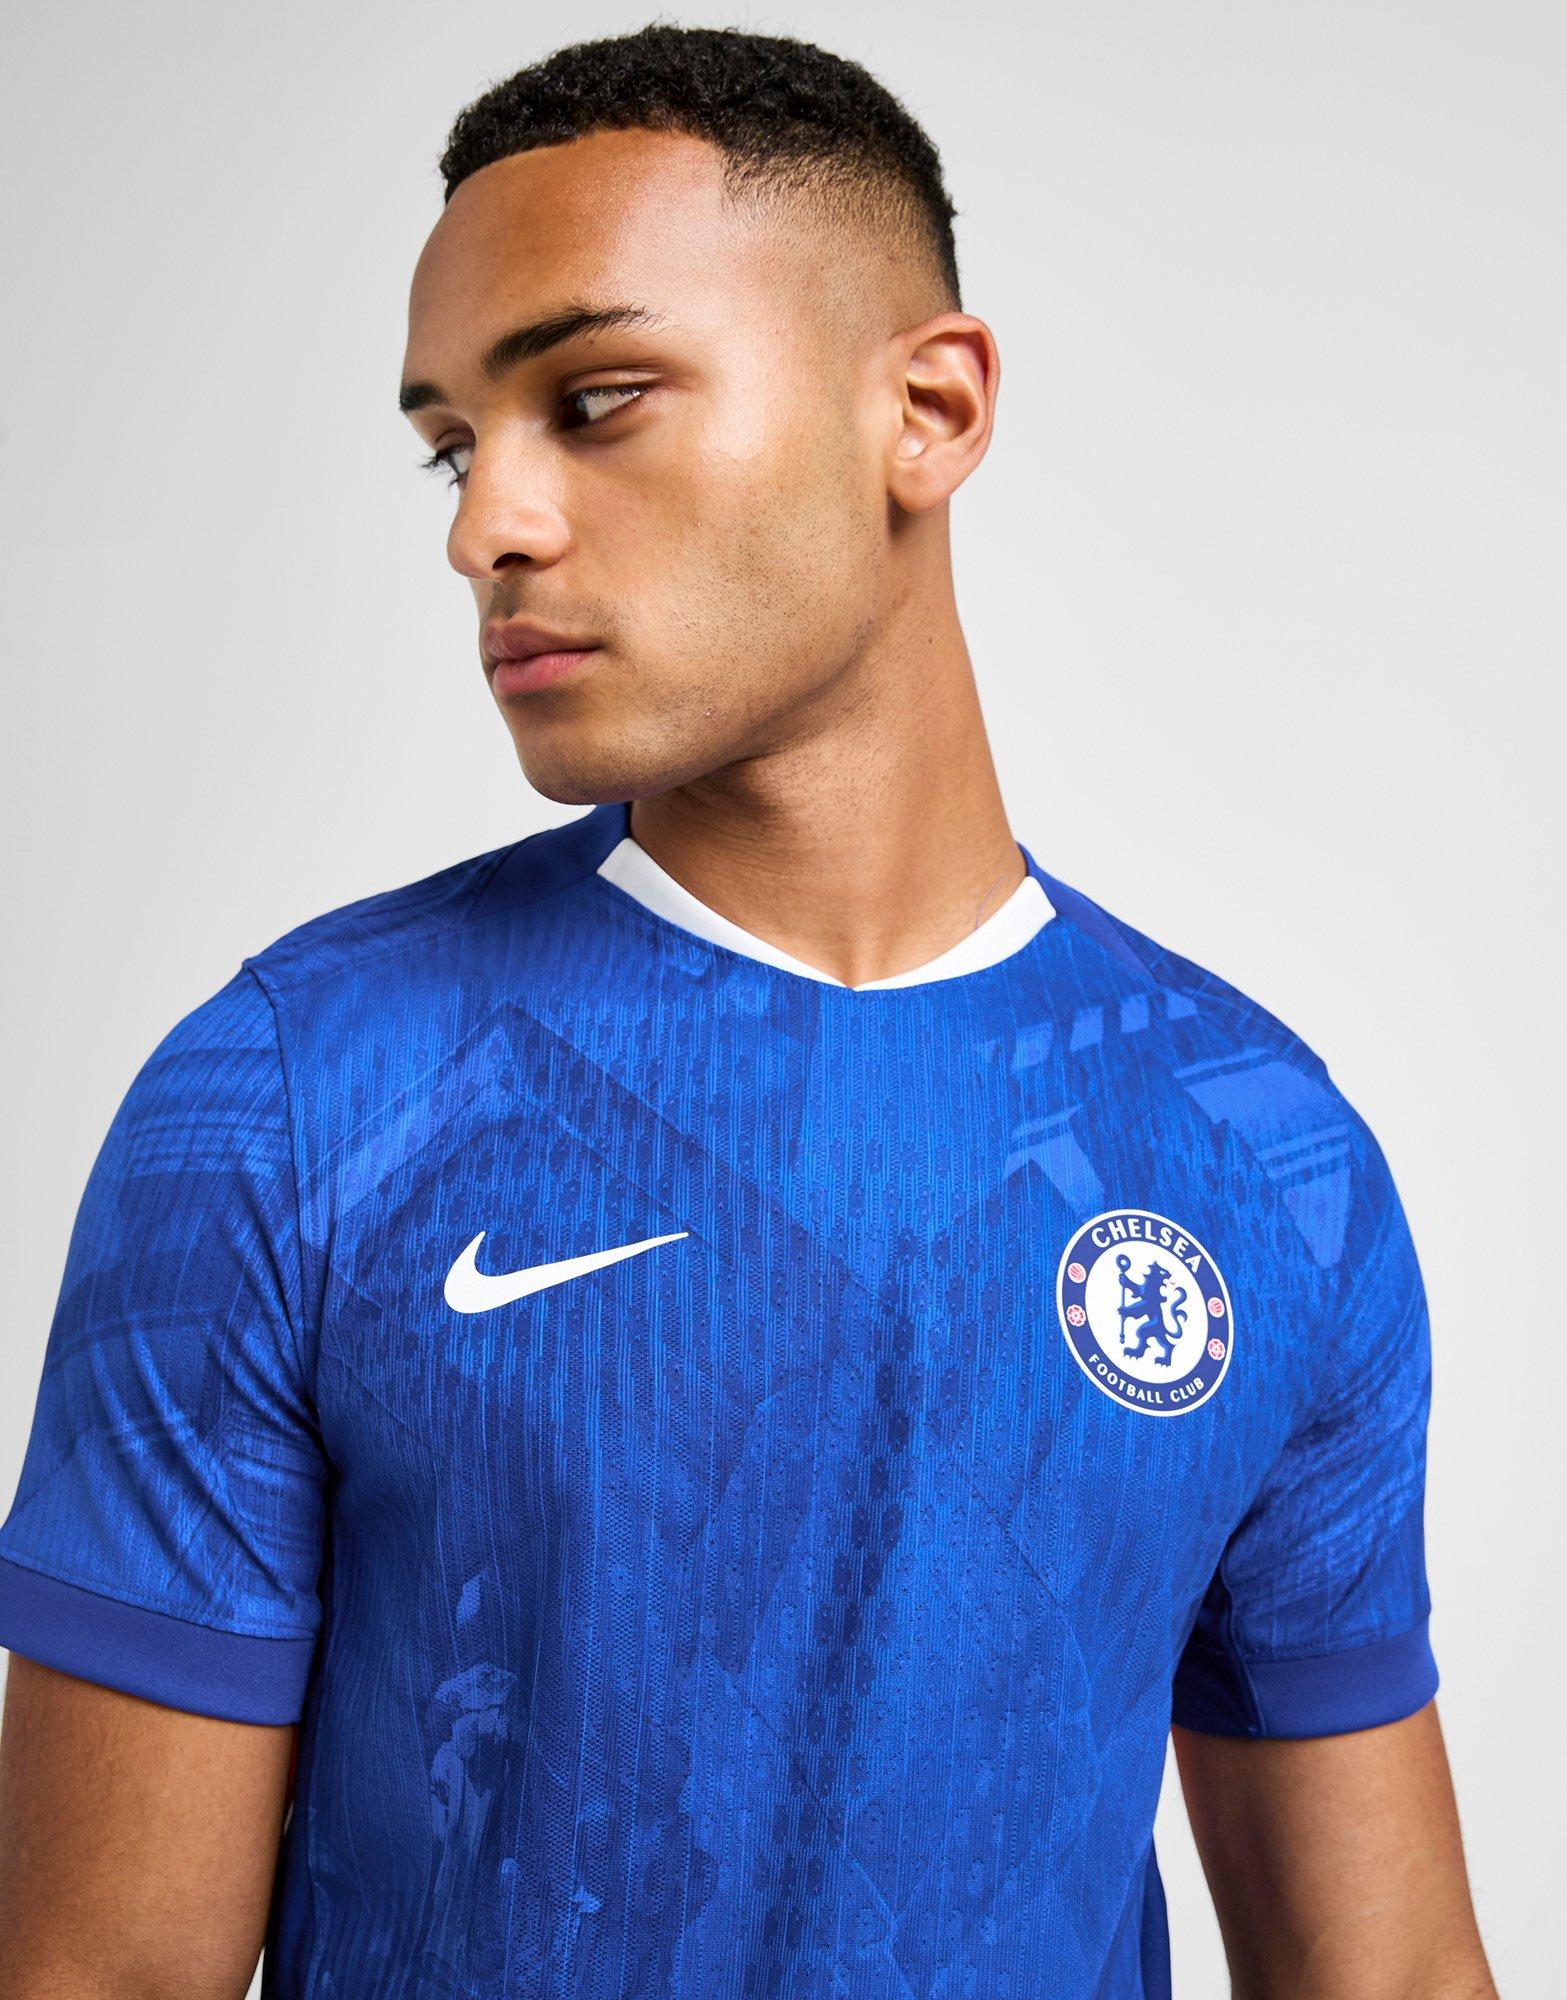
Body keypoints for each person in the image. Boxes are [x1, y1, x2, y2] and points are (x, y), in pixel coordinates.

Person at [0, 23, 1496, 1999]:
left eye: (593, 402)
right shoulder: (294, 1101)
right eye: (454, 442)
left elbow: (1387, 1976)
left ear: (928, 412)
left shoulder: (1265, 1160)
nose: (483, 525)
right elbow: (99, 1977)